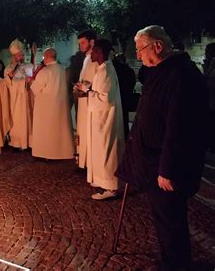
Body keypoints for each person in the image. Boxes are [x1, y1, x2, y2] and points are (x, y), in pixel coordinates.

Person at [116, 25, 208, 269]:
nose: (138, 55)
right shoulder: (161, 71)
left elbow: (179, 127)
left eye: (141, 49)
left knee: (171, 221)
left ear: (158, 46)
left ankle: (177, 264)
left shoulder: (181, 75)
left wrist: (167, 169)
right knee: (163, 220)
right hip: (152, 162)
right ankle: (171, 260)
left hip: (166, 166)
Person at [76, 39, 124, 200]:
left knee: (106, 149)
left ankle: (111, 186)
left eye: (94, 51)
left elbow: (105, 99)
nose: (91, 53)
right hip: (99, 118)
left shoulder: (106, 71)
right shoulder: (103, 69)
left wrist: (87, 90)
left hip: (105, 120)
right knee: (100, 149)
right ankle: (102, 180)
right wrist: (88, 90)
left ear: (101, 52)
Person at [29, 48, 74, 161]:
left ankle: (47, 154)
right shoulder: (62, 70)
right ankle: (61, 152)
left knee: (47, 129)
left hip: (46, 106)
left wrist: (30, 82)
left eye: (44, 57)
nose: (43, 59)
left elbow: (36, 88)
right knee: (59, 129)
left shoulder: (45, 71)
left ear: (48, 57)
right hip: (60, 105)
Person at [74, 29, 99, 169]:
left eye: (83, 43)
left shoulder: (95, 60)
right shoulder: (86, 59)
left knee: (88, 131)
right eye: (79, 43)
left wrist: (84, 88)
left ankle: (89, 162)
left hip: (91, 101)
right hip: (84, 100)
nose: (80, 46)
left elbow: (96, 82)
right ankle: (83, 160)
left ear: (92, 42)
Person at [4, 39, 33, 150]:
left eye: (22, 54)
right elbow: (9, 84)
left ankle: (29, 142)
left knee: (29, 118)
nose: (21, 57)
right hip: (16, 99)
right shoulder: (9, 69)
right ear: (14, 56)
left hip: (28, 97)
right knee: (17, 120)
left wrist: (30, 81)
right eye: (18, 55)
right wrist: (22, 82)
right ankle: (16, 144)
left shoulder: (29, 65)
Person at [113, 53, 137, 139]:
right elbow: (132, 82)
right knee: (124, 121)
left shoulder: (114, 70)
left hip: (117, 98)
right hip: (126, 98)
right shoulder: (128, 70)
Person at [203, 42, 215, 154]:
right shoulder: (209, 64)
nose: (205, 53)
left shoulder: (212, 64)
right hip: (209, 103)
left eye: (207, 51)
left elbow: (207, 82)